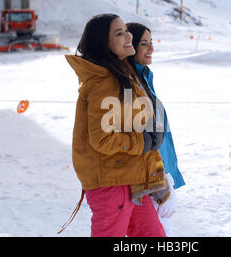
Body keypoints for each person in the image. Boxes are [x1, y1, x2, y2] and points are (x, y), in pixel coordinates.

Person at [59, 14, 171, 237]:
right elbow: (103, 138)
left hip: (131, 178)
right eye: (119, 33)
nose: (128, 35)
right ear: (104, 43)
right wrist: (143, 141)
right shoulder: (104, 82)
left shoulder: (121, 75)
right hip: (112, 183)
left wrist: (151, 136)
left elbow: (131, 119)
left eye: (126, 30)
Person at [126, 22, 186, 237]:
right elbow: (136, 139)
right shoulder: (130, 85)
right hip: (152, 179)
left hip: (162, 172)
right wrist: (159, 182)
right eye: (144, 44)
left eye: (151, 42)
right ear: (128, 45)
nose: (151, 48)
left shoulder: (144, 79)